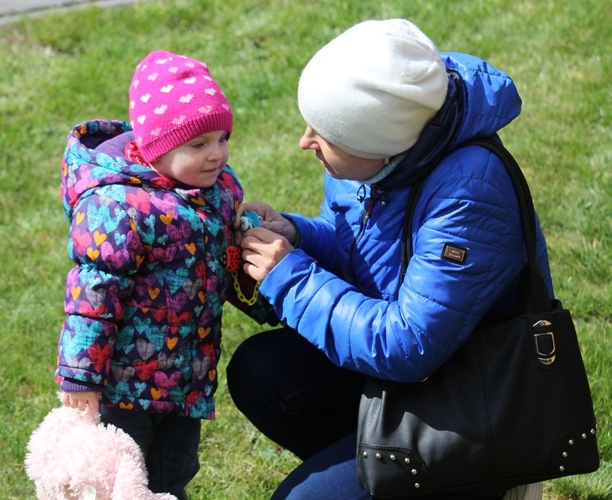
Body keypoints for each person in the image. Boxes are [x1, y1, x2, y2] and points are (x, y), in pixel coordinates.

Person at [226, 19, 549, 500]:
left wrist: (288, 276)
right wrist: (298, 236)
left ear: (379, 145)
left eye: (325, 132)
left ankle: (478, 485)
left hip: (471, 401)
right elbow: (364, 256)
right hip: (420, 373)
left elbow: (409, 345)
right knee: (260, 370)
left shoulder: (470, 192)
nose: (305, 140)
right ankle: (381, 472)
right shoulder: (382, 151)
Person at [55, 49, 247, 499]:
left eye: (222, 138)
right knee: (118, 481)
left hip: (184, 378)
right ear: (157, 147)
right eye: (198, 145)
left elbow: (226, 258)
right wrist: (82, 374)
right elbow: (92, 295)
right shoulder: (116, 206)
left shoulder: (215, 191)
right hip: (122, 384)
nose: (216, 154)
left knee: (173, 474)